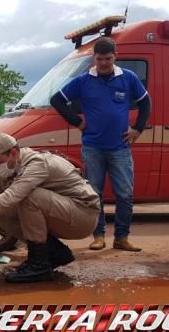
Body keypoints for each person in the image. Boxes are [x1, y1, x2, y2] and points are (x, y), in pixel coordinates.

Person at [0, 133, 100, 283]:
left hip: (83, 215)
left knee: (29, 197)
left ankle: (39, 266)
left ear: (14, 153)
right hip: (64, 213)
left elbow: (12, 197)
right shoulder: (8, 170)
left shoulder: (36, 163)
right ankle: (54, 253)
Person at [49, 36, 151, 252]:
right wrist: (76, 121)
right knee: (94, 194)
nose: (103, 63)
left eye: (108, 58)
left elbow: (145, 103)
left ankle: (122, 238)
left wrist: (138, 129)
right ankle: (98, 236)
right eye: (99, 58)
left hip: (120, 148)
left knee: (125, 194)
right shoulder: (83, 80)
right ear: (94, 58)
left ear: (115, 57)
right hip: (93, 147)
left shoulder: (128, 78)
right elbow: (56, 100)